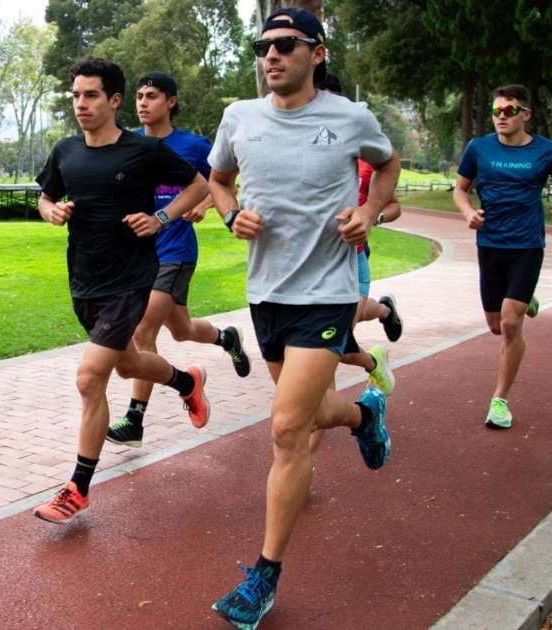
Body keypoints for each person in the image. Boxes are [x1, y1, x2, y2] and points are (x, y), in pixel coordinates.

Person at [206, 8, 400, 628]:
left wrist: (369, 211)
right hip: (267, 292)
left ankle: (263, 577)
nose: (271, 56)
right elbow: (217, 179)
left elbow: (388, 164)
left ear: (316, 53)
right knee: (312, 412)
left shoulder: (349, 118)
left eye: (285, 45)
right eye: (263, 46)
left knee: (287, 430)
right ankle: (363, 411)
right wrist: (230, 213)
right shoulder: (239, 117)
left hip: (327, 290)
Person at [31, 57, 212, 525]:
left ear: (113, 100)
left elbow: (197, 185)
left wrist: (162, 218)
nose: (81, 104)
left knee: (91, 377)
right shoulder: (66, 151)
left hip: (131, 278)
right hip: (84, 279)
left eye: (91, 95)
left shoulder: (142, 152)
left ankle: (78, 487)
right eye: (76, 95)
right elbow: (45, 195)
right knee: (128, 361)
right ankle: (187, 381)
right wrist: (49, 210)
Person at [105, 71, 252, 450]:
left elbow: (221, 182)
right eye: (138, 96)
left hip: (174, 253)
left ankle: (135, 420)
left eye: (151, 95)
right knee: (182, 330)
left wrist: (203, 205)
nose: (142, 102)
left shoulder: (192, 144)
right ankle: (227, 338)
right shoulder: (127, 143)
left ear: (170, 101)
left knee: (142, 332)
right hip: (138, 256)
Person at [453, 83, 552, 429]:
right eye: (496, 111)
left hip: (527, 245)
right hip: (490, 244)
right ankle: (526, 300)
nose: (501, 117)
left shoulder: (547, 151)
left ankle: (500, 400)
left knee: (510, 322)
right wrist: (467, 213)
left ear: (526, 114)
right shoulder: (479, 148)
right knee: (496, 325)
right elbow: (461, 189)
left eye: (509, 111)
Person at [308, 73, 404, 456]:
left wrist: (370, 214)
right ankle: (373, 358)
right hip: (303, 269)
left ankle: (306, 458)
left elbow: (393, 205)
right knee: (326, 352)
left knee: (324, 363)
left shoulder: (363, 152)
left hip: (351, 258)